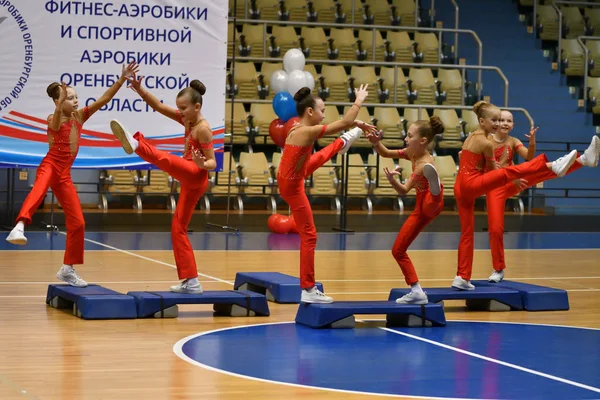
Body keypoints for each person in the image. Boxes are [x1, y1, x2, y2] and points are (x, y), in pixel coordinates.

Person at [5, 62, 140, 287]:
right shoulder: (52, 118)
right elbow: (56, 123)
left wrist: (122, 79)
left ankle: (68, 269)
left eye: (76, 96)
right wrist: (58, 107)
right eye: (69, 97)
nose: (75, 100)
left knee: (78, 223)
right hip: (50, 165)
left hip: (64, 174)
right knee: (38, 190)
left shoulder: (79, 116)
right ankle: (19, 226)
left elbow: (104, 99)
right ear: (58, 102)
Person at [453, 101, 579, 290]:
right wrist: (507, 171)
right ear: (482, 121)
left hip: (461, 187)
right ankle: (551, 165)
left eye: (503, 120)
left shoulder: (475, 136)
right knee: (507, 173)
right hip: (474, 184)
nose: (498, 124)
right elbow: (494, 171)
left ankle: (462, 277)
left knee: (466, 234)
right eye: (494, 120)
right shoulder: (486, 142)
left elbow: (496, 167)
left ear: (512, 125)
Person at [109, 75, 215, 294]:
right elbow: (157, 106)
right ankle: (191, 281)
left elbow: (213, 162)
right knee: (178, 229)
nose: (180, 112)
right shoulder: (187, 119)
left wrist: (201, 163)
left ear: (197, 107)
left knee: (165, 159)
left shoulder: (203, 128)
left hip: (196, 174)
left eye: (183, 108)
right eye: (179, 108)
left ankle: (137, 143)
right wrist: (139, 88)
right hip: (189, 179)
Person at [278, 85, 376, 303]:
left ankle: (342, 142)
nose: (324, 114)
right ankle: (308, 289)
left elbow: (343, 124)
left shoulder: (298, 127)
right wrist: (358, 100)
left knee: (320, 156)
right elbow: (342, 121)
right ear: (310, 111)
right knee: (309, 235)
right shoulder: (306, 131)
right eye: (322, 110)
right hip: (292, 185)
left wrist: (355, 123)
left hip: (293, 174)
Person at [485, 110, 599, 282]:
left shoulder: (513, 141)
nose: (505, 123)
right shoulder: (487, 142)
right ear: (495, 123)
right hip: (493, 187)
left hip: (511, 182)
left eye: (509, 121)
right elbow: (488, 167)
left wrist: (531, 142)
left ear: (513, 125)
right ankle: (498, 269)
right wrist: (512, 177)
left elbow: (529, 158)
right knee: (495, 229)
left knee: (533, 172)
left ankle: (575, 162)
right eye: (501, 120)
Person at [367, 116, 445, 304]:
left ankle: (436, 189)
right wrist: (377, 143)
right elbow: (386, 153)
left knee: (430, 203)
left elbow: (403, 190)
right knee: (398, 250)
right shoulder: (411, 152)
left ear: (423, 141)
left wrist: (393, 181)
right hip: (421, 207)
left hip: (431, 203)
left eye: (409, 136)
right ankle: (416, 290)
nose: (406, 139)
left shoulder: (422, 164)